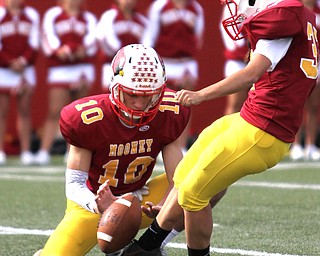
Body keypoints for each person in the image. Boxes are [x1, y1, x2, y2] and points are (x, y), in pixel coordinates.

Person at [121, 0, 319, 255]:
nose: (236, 8)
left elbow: (250, 74)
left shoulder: (282, 22)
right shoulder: (301, 16)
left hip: (264, 131)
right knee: (187, 170)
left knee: (193, 194)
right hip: (251, 118)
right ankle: (149, 245)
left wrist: (200, 95)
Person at [32, 44, 226, 256]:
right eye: (132, 94)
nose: (139, 104)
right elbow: (74, 185)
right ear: (115, 88)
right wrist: (97, 204)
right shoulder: (88, 119)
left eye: (148, 96)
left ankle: (150, 245)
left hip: (141, 199)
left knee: (210, 177)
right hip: (91, 205)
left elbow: (177, 179)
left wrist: (164, 204)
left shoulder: (168, 112)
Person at [33, 0, 98, 165]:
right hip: (60, 69)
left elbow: (93, 40)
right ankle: (44, 151)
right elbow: (48, 37)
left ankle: (72, 153)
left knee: (78, 114)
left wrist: (78, 49)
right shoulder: (53, 15)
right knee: (55, 111)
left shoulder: (88, 17)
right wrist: (61, 50)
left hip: (82, 68)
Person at [141, 0, 205, 154]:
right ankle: (155, 146)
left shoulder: (196, 8)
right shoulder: (160, 6)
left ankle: (181, 146)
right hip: (165, 61)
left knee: (185, 106)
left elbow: (198, 36)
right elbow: (150, 36)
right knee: (157, 104)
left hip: (186, 63)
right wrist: (151, 60)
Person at [0, 0, 40, 165]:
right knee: (2, 112)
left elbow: (34, 42)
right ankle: (0, 151)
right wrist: (9, 61)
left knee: (25, 111)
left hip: (25, 69)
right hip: (4, 69)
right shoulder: (1, 14)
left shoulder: (31, 15)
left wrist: (23, 61)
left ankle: (25, 151)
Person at [289, 0, 320, 161]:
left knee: (314, 106)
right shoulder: (294, 8)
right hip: (299, 61)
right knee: (298, 104)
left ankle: (311, 145)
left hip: (316, 61)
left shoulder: (317, 10)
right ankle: (295, 145)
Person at [96, 0, 147, 91]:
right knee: (111, 95)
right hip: (112, 64)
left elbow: (147, 41)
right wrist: (125, 53)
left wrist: (139, 55)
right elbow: (109, 39)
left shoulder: (142, 20)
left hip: (135, 67)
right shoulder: (109, 16)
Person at [220, 0, 250, 115]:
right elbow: (232, 41)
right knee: (235, 105)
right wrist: (247, 51)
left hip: (259, 59)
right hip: (239, 61)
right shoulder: (231, 7)